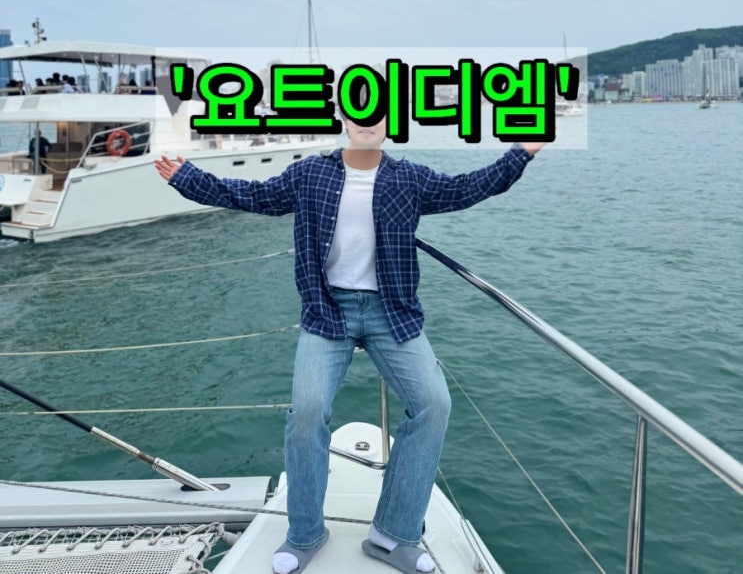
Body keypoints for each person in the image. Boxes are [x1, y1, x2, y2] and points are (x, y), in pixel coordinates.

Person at [155, 120, 546, 574]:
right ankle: (304, 534)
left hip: (390, 311)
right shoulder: (310, 174)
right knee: (307, 411)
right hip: (327, 310)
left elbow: (467, 188)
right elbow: (253, 195)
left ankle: (392, 534)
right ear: (344, 118)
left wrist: (521, 152)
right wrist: (188, 178)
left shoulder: (409, 178)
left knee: (434, 404)